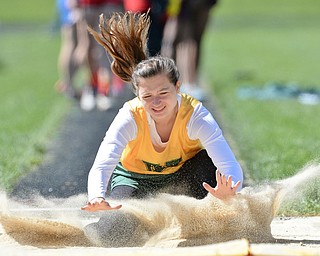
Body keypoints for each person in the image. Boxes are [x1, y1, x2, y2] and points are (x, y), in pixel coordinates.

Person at [81, 11, 243, 212]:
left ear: (177, 87)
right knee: (113, 230)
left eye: (163, 93)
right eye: (147, 96)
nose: (156, 102)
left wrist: (230, 190)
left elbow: (228, 164)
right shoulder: (130, 116)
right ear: (138, 96)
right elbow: (102, 165)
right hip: (135, 178)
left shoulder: (195, 116)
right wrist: (97, 197)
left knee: (217, 199)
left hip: (184, 175)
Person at [162, 0, 219, 100]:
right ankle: (187, 83)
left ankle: (187, 83)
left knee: (193, 39)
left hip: (199, 4)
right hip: (184, 5)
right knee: (186, 39)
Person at [55, 0, 89, 98]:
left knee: (71, 43)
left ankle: (68, 82)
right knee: (80, 44)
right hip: (74, 4)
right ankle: (73, 83)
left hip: (67, 4)